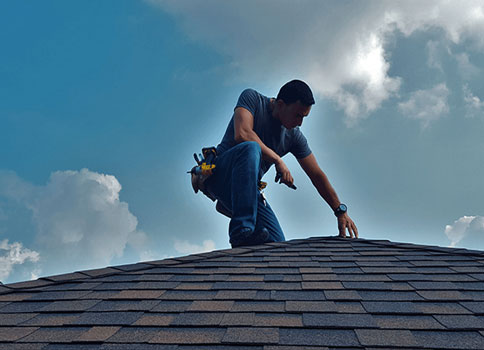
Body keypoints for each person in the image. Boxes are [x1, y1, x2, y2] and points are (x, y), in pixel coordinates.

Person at [199, 79, 358, 248]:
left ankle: (239, 212)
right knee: (251, 148)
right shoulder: (252, 99)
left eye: (304, 117)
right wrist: (277, 160)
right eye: (298, 115)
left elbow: (316, 175)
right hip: (220, 176)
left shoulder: (294, 137)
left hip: (248, 190)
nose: (300, 123)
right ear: (280, 104)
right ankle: (241, 230)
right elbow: (243, 133)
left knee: (276, 245)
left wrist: (340, 210)